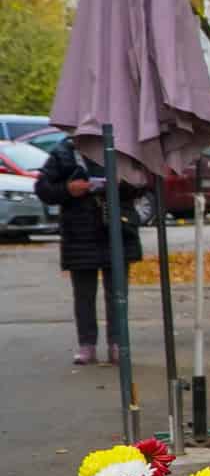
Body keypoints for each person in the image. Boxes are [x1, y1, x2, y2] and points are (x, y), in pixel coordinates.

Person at [33, 134, 140, 365]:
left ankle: (117, 344)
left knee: (118, 293)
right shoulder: (63, 152)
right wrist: (68, 189)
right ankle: (87, 345)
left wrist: (122, 183)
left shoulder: (119, 148)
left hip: (117, 230)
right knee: (84, 295)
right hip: (79, 234)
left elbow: (142, 183)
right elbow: (42, 188)